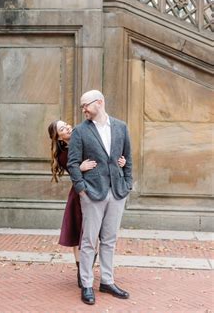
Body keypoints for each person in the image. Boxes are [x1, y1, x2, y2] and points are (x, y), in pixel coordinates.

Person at [67, 90, 132, 305]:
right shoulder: (80, 131)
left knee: (109, 240)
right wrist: (81, 189)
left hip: (117, 192)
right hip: (92, 193)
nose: (83, 109)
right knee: (88, 241)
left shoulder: (121, 127)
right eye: (82, 106)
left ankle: (107, 281)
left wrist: (127, 183)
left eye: (86, 105)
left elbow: (128, 158)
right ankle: (86, 284)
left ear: (100, 102)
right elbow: (72, 163)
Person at [48, 120, 126, 289]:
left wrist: (121, 162)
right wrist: (79, 168)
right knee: (79, 235)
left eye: (67, 125)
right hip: (80, 194)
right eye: (62, 129)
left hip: (99, 190)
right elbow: (72, 168)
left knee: (96, 235)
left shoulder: (83, 139)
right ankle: (81, 272)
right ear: (59, 138)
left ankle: (88, 270)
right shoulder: (63, 154)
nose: (68, 128)